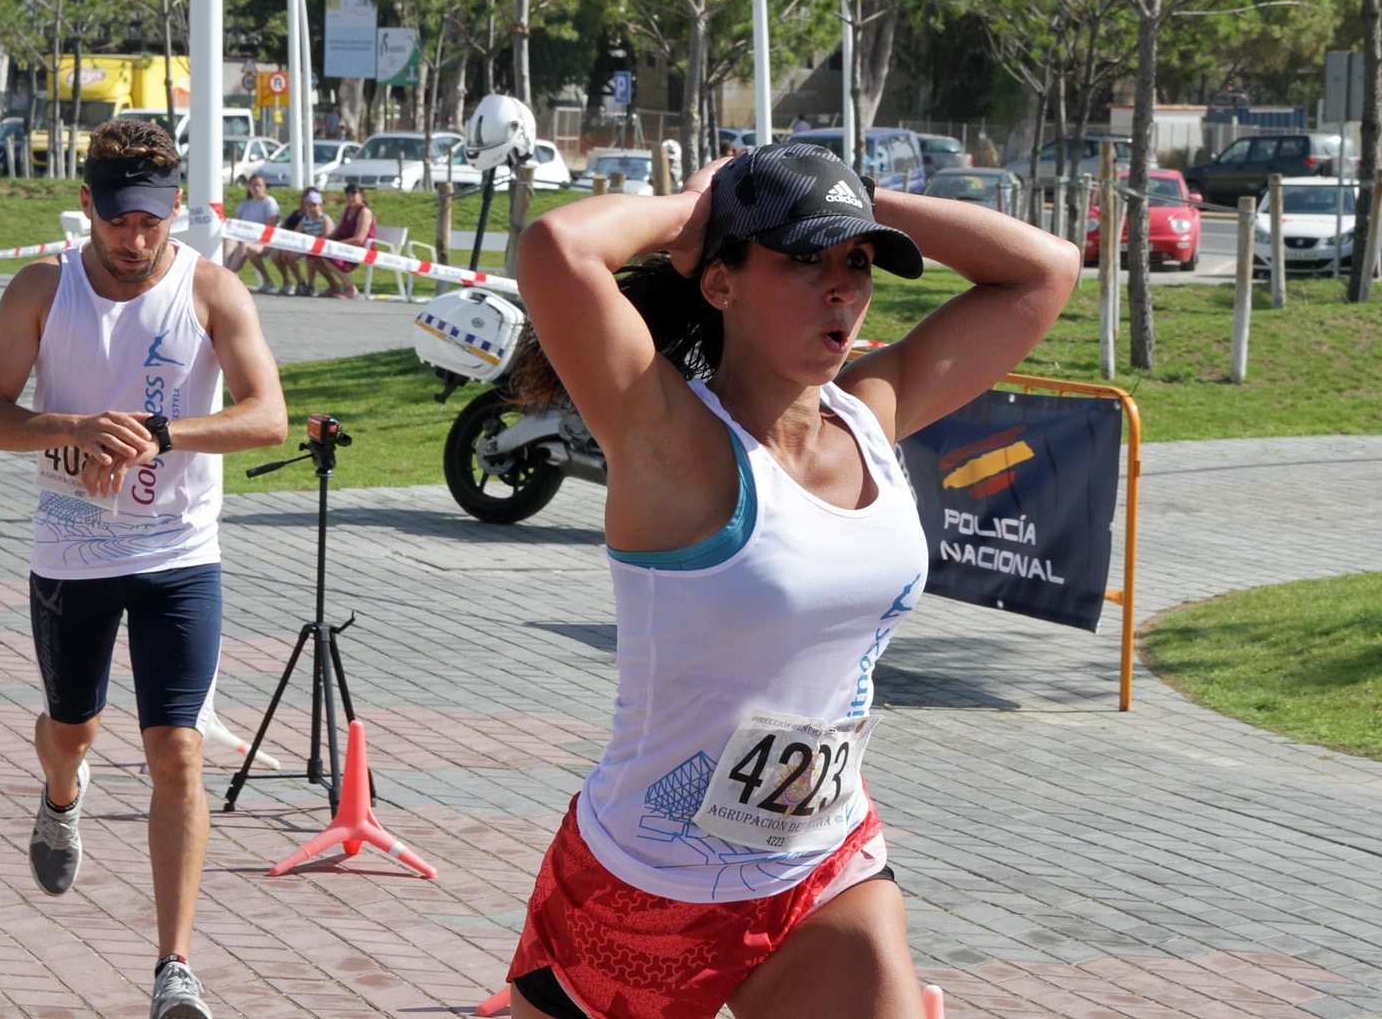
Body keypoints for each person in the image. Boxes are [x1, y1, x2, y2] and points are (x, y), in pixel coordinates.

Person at [503, 142, 1079, 1019]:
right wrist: (697, 208)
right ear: (721, 280)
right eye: (805, 260)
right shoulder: (667, 439)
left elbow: (1047, 270)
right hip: (645, 887)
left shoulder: (874, 411)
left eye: (856, 262)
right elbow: (556, 248)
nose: (842, 288)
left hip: (820, 859)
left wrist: (857, 196)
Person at [0, 118, 288, 1019]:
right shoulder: (41, 288)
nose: (135, 240)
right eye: (118, 222)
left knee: (177, 749)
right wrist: (74, 428)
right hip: (72, 545)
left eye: (150, 221)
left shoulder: (212, 290)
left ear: (174, 211)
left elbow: (268, 415)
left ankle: (173, 969)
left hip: (180, 552)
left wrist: (158, 433)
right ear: (87, 210)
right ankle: (61, 795)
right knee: (72, 730)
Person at [309, 182, 376, 299]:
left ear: (362, 196)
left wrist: (336, 245)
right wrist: (325, 240)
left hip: (359, 249)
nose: (350, 198)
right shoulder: (347, 210)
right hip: (344, 245)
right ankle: (334, 286)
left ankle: (351, 288)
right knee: (313, 255)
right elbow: (338, 231)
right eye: (348, 195)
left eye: (354, 195)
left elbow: (359, 239)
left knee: (327, 254)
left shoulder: (364, 212)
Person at [222, 174, 281, 293]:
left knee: (246, 247)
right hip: (243, 239)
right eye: (253, 185)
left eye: (259, 185)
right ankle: (227, 274)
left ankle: (227, 279)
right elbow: (234, 224)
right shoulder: (245, 204)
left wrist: (252, 240)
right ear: (249, 187)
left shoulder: (269, 202)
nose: (256, 188)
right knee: (229, 243)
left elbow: (270, 227)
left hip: (264, 241)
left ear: (264, 187)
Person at [271, 187, 334, 296]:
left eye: (314, 205)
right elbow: (296, 234)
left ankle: (311, 285)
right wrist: (289, 246)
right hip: (308, 246)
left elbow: (326, 238)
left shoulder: (324, 219)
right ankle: (301, 282)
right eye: (308, 205)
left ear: (320, 206)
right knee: (289, 255)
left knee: (311, 257)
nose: (311, 208)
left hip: (321, 247)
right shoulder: (305, 219)